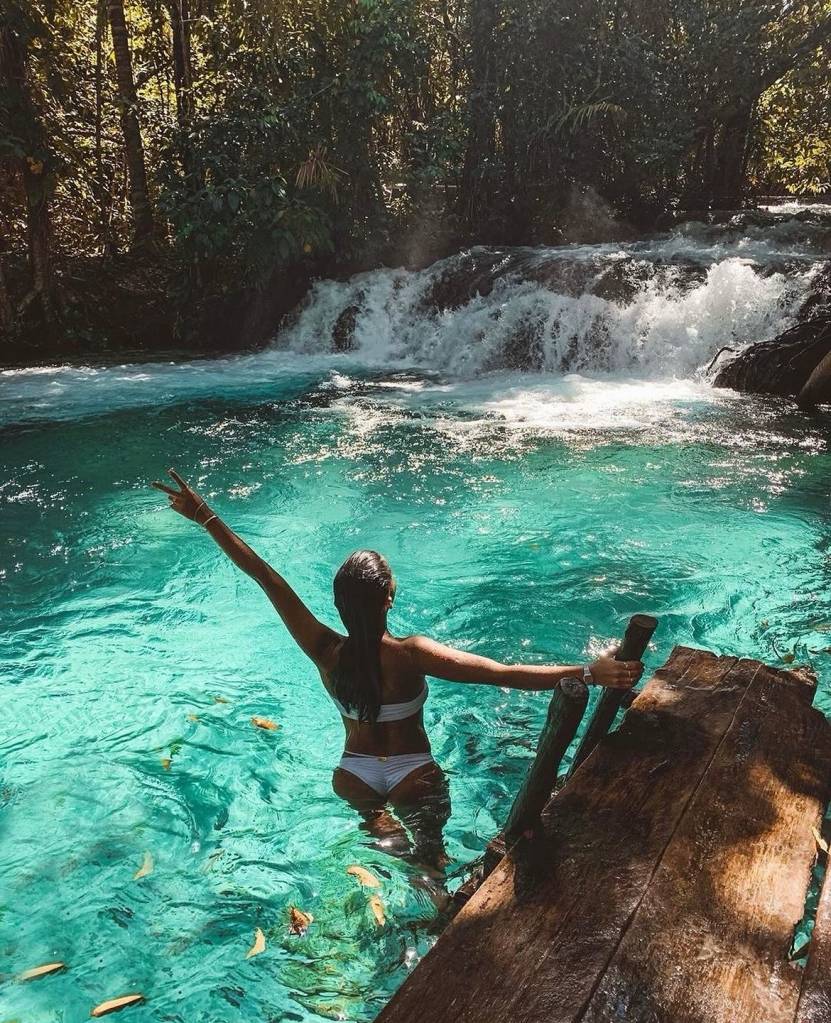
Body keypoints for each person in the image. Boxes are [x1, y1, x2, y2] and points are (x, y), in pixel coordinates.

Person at [151, 468, 644, 874]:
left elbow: (263, 574)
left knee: (396, 860)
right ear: (389, 597)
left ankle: (408, 889)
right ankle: (431, 896)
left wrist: (207, 518)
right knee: (432, 862)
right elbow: (503, 673)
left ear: (339, 603)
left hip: (353, 776)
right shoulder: (412, 654)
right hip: (415, 774)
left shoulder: (323, 648)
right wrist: (591, 670)